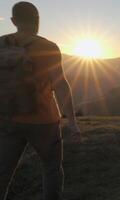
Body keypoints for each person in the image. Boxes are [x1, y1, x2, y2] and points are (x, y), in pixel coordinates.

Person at [0, 2, 81, 200]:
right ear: (37, 20)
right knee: (51, 168)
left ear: (13, 21)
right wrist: (72, 122)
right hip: (44, 121)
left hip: (8, 119)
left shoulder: (1, 44)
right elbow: (61, 86)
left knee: (3, 173)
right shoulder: (48, 47)